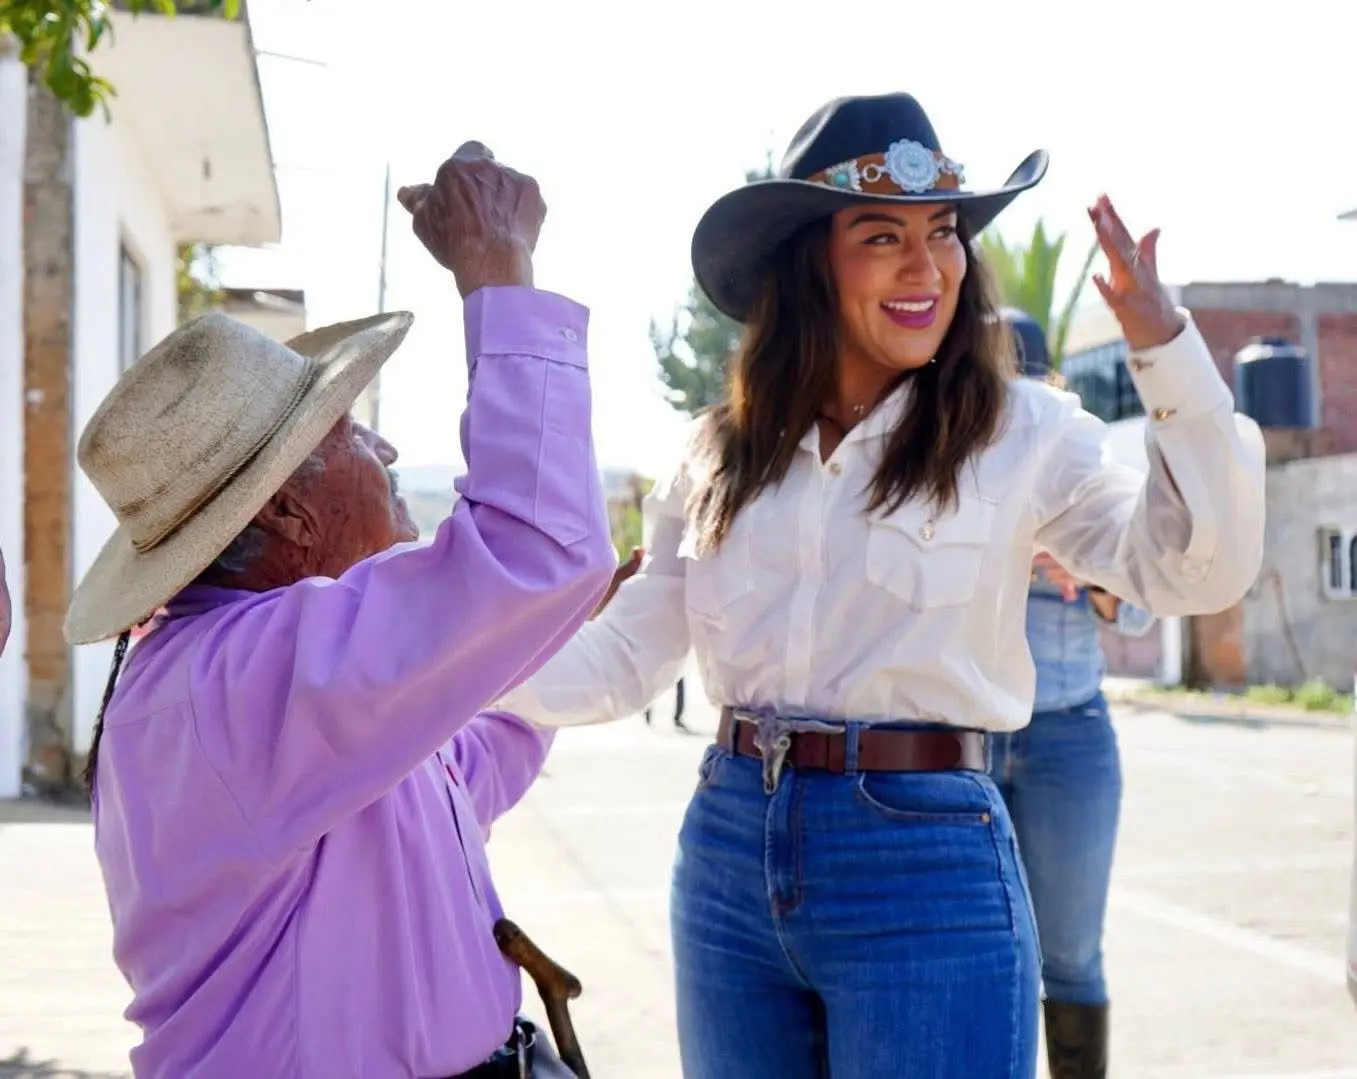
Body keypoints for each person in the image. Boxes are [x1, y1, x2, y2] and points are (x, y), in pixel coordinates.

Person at [495, 92, 1267, 1078]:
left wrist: (1165, 351)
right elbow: (621, 659)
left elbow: (1192, 567)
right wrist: (430, 668)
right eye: (881, 235)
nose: (927, 265)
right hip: (729, 849)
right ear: (806, 261)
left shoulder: (1021, 432)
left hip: (925, 862)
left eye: (941, 233)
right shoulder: (717, 451)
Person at [64, 142, 614, 1079]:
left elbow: (463, 767)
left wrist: (568, 623)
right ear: (286, 507)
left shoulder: (276, 670)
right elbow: (537, 545)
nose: (388, 447)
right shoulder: (239, 675)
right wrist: (496, 271)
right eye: (354, 430)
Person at [988, 309, 1157, 1079]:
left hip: (1068, 737)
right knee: (983, 951)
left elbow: (1143, 603)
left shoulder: (1076, 464)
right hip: (961, 741)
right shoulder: (946, 467)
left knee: (1070, 954)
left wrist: (1082, 571)